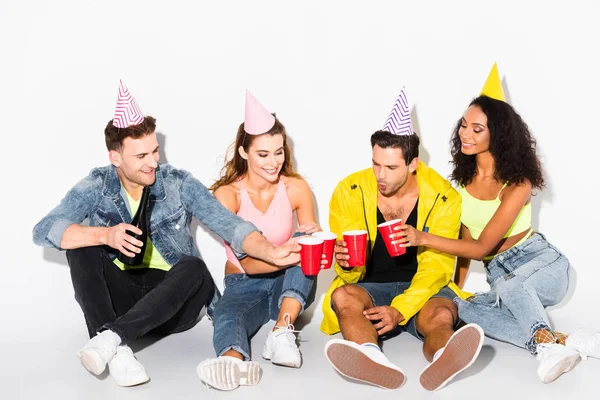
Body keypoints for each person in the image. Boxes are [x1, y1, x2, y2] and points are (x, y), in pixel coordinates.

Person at [32, 82, 302, 387]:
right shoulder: (96, 185)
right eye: (141, 156)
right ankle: (117, 350)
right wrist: (104, 235)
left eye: (155, 151)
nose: (153, 162)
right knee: (80, 245)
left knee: (194, 267)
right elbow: (44, 230)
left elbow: (230, 225)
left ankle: (109, 340)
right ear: (115, 158)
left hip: (176, 304)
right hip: (125, 301)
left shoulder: (177, 182)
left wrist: (271, 251)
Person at [399, 64, 600, 383]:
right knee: (465, 310)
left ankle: (545, 348)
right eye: (464, 125)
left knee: (510, 284)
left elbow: (482, 248)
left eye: (477, 129)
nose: (465, 133)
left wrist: (423, 238)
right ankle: (565, 342)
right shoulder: (463, 185)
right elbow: (465, 242)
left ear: (499, 135)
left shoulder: (517, 184)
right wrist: (457, 286)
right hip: (502, 277)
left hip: (541, 264)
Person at [321, 88, 484, 392]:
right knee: (343, 298)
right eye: (376, 164)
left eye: (391, 167)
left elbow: (438, 265)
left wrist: (400, 310)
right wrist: (344, 263)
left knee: (442, 314)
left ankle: (442, 359)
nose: (380, 175)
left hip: (422, 288)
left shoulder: (443, 196)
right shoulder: (349, 189)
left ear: (412, 165)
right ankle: (371, 359)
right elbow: (349, 272)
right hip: (371, 288)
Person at [197, 90, 320, 391]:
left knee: (308, 237)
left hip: (289, 285)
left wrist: (320, 247)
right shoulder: (228, 196)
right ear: (244, 152)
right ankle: (232, 362)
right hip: (244, 283)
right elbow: (248, 264)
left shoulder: (296, 188)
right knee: (227, 315)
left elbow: (311, 254)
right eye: (263, 154)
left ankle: (281, 332)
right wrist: (288, 253)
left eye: (278, 152)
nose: (273, 162)